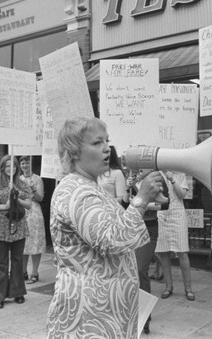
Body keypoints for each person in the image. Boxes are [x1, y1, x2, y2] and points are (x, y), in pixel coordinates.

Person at [47, 117, 164, 338]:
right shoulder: (75, 190)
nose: (106, 148)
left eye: (107, 141)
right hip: (89, 319)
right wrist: (141, 200)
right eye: (96, 143)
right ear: (74, 152)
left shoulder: (89, 186)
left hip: (101, 314)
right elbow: (111, 240)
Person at [122, 169, 169, 334]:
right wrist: (126, 191)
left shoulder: (156, 178)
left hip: (149, 228)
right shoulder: (130, 178)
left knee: (141, 269)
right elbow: (124, 203)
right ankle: (131, 312)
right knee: (130, 272)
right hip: (131, 226)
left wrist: (143, 202)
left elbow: (165, 203)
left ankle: (145, 317)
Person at [0, 155, 32, 309]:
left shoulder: (22, 184)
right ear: (3, 167)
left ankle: (18, 292)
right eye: (8, 166)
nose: (12, 169)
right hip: (0, 226)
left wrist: (16, 199)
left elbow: (29, 204)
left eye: (14, 166)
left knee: (18, 260)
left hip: (18, 224)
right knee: (1, 261)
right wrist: (3, 206)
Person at [155, 171, 195, 301]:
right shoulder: (157, 174)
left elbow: (182, 194)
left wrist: (172, 179)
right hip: (163, 215)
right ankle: (168, 287)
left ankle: (188, 288)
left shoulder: (180, 174)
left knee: (182, 252)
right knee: (164, 252)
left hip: (178, 214)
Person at [19, 155, 46, 284]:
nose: (24, 166)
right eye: (22, 163)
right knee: (23, 243)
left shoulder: (38, 179)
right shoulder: (17, 179)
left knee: (35, 242)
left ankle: (34, 272)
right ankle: (23, 271)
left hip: (34, 211)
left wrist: (33, 189)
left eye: (27, 163)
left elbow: (40, 198)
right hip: (21, 211)